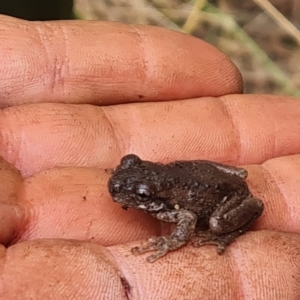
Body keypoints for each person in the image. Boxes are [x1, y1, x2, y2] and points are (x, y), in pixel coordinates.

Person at [0, 14, 299, 299]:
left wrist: (170, 241)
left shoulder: (173, 207)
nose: (120, 187)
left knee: (218, 225)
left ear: (154, 197)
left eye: (141, 194)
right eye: (128, 164)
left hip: (226, 197)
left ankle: (224, 234)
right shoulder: (147, 186)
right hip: (212, 176)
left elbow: (187, 217)